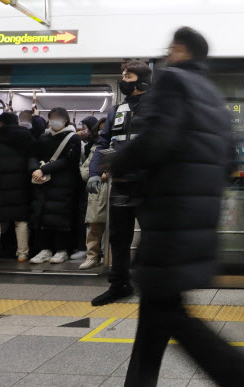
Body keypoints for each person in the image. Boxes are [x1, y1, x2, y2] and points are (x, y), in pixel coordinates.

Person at [108, 27, 244, 387]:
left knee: (170, 313)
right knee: (157, 310)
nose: (167, 54)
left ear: (180, 49)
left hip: (169, 219)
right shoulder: (213, 98)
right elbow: (228, 161)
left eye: (171, 47)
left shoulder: (172, 82)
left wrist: (119, 163)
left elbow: (155, 140)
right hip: (194, 219)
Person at [87, 61, 152, 306]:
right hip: (121, 184)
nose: (124, 79)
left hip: (149, 186)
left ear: (143, 80)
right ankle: (119, 284)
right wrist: (95, 172)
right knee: (119, 238)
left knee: (153, 236)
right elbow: (102, 143)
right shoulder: (117, 109)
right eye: (123, 75)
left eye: (129, 75)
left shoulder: (158, 107)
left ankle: (154, 284)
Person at [29, 107, 81, 264]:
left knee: (62, 218)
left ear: (66, 119)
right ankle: (45, 249)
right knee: (43, 216)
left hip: (64, 184)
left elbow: (68, 160)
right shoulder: (44, 137)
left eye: (58, 117)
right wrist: (34, 169)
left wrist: (43, 169)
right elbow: (33, 155)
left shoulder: (73, 138)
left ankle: (62, 249)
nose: (54, 120)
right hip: (44, 183)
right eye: (51, 117)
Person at [0, 113, 37, 265]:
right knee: (21, 220)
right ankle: (22, 253)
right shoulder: (27, 137)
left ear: (1, 123)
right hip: (21, 184)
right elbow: (33, 155)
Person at [78, 118, 109, 270]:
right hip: (97, 191)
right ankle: (92, 256)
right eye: (101, 129)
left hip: (113, 191)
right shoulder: (94, 148)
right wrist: (95, 175)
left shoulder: (120, 145)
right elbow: (84, 169)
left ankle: (109, 256)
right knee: (94, 227)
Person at [71, 116, 99, 262]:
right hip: (84, 183)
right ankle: (85, 248)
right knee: (86, 215)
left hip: (91, 182)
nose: (84, 131)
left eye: (87, 128)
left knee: (92, 217)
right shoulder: (85, 143)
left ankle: (88, 250)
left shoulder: (95, 144)